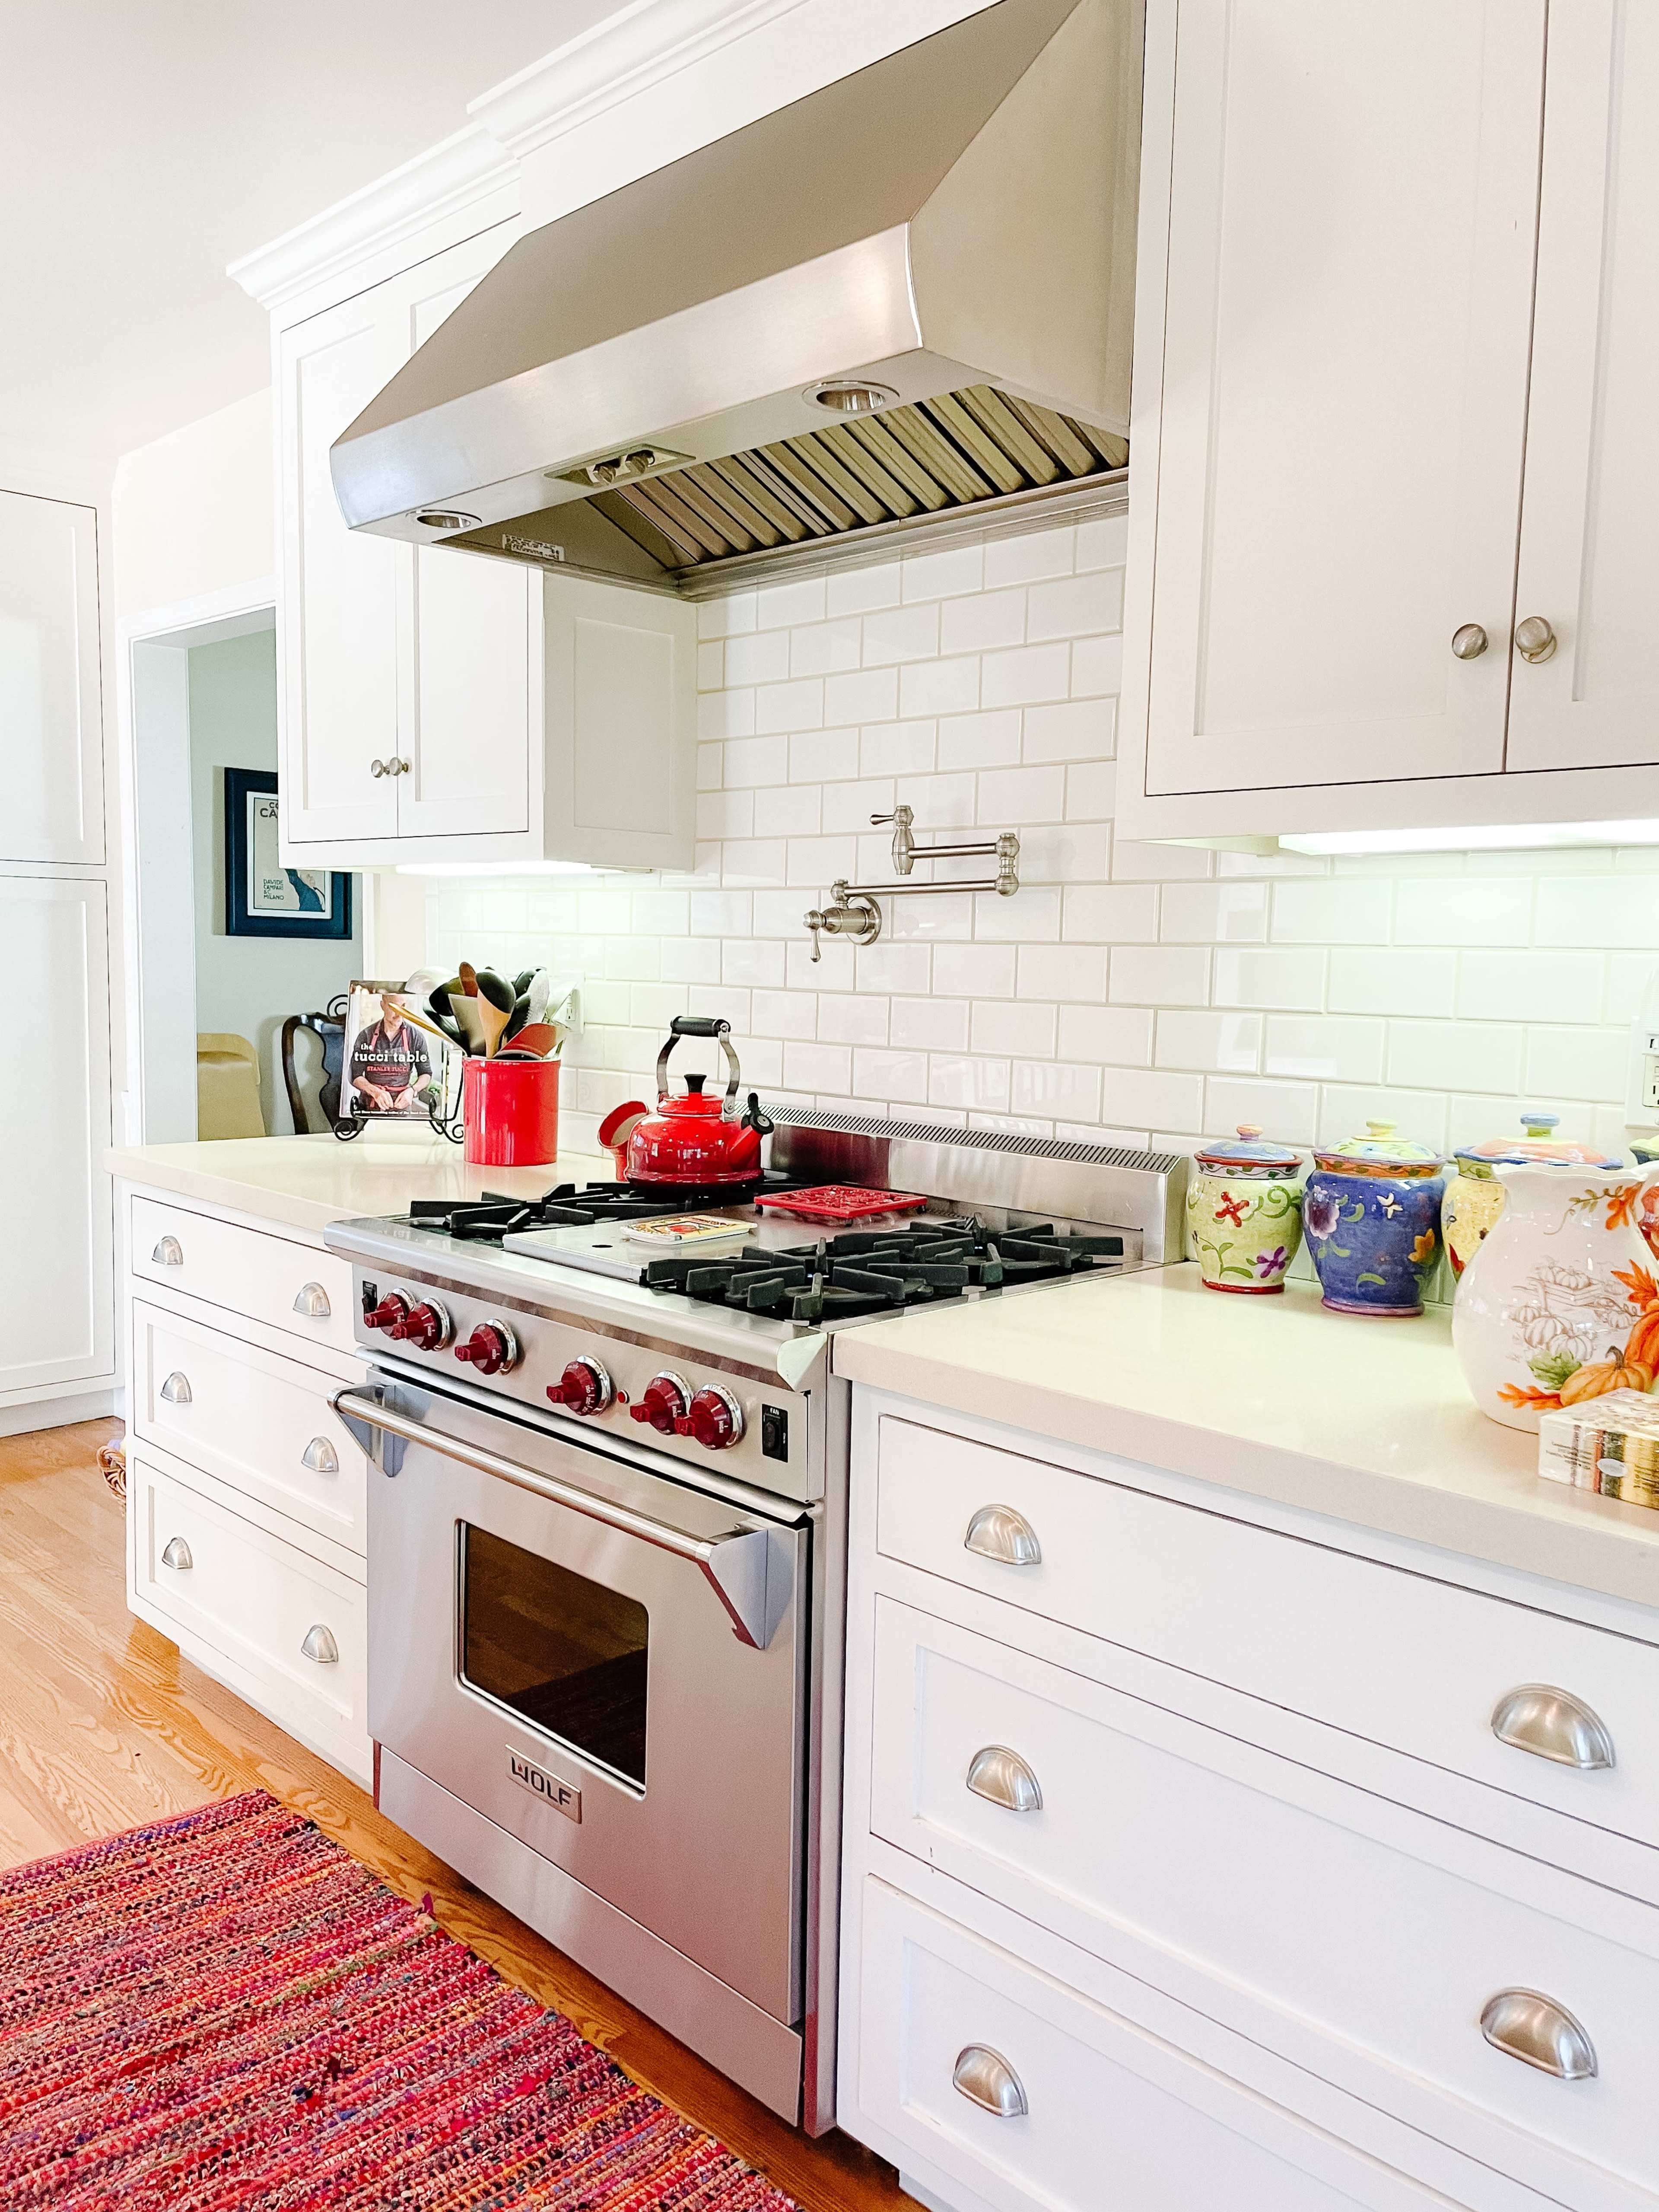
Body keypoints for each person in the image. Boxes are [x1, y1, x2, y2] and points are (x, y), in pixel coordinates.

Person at [347, 995, 437, 1115]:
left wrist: (412, 1090)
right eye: (393, 1007)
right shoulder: (366, 1036)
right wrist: (375, 1092)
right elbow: (355, 1075)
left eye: (403, 1007)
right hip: (369, 1107)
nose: (399, 1013)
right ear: (383, 1005)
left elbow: (426, 1074)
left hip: (402, 1109)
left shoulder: (416, 1037)